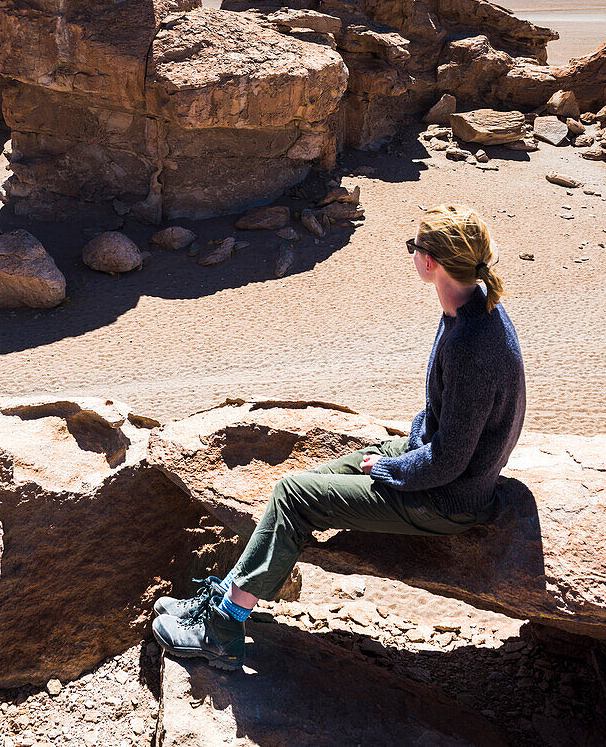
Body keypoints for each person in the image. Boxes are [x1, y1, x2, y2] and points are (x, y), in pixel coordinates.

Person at [152, 204, 526, 671]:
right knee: (304, 485)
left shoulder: (472, 341)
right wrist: (410, 444)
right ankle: (228, 595)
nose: (411, 254)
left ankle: (222, 628)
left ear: (430, 261)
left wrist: (391, 468)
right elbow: (446, 419)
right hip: (435, 463)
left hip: (448, 497)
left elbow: (449, 460)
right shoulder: (474, 303)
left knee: (293, 495)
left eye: (413, 247)